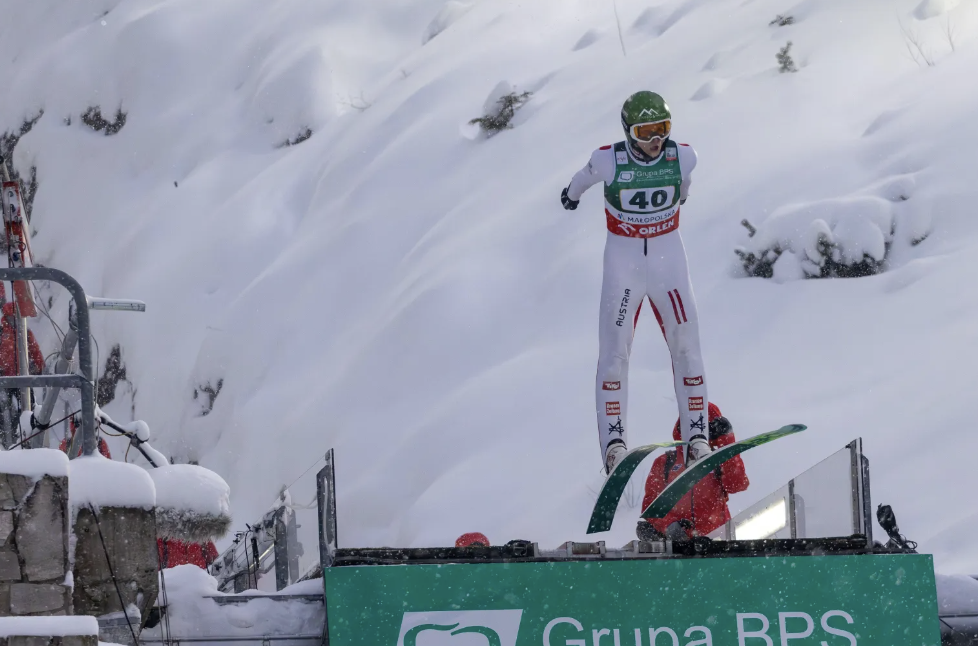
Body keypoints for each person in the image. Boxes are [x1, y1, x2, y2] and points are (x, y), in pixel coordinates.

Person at [560, 90, 712, 474]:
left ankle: (698, 436)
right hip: (624, 262)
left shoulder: (683, 156)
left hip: (668, 258)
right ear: (628, 132)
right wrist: (570, 196)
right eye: (645, 132)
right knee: (614, 353)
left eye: (662, 129)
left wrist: (681, 198)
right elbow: (582, 179)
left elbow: (685, 187)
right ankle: (614, 445)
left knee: (687, 347)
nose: (656, 140)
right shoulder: (608, 160)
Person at [637, 402, 749, 541]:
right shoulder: (665, 462)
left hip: (717, 543)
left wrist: (726, 442)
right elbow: (650, 506)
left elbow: (737, 485)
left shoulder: (720, 460)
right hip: (678, 546)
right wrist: (669, 525)